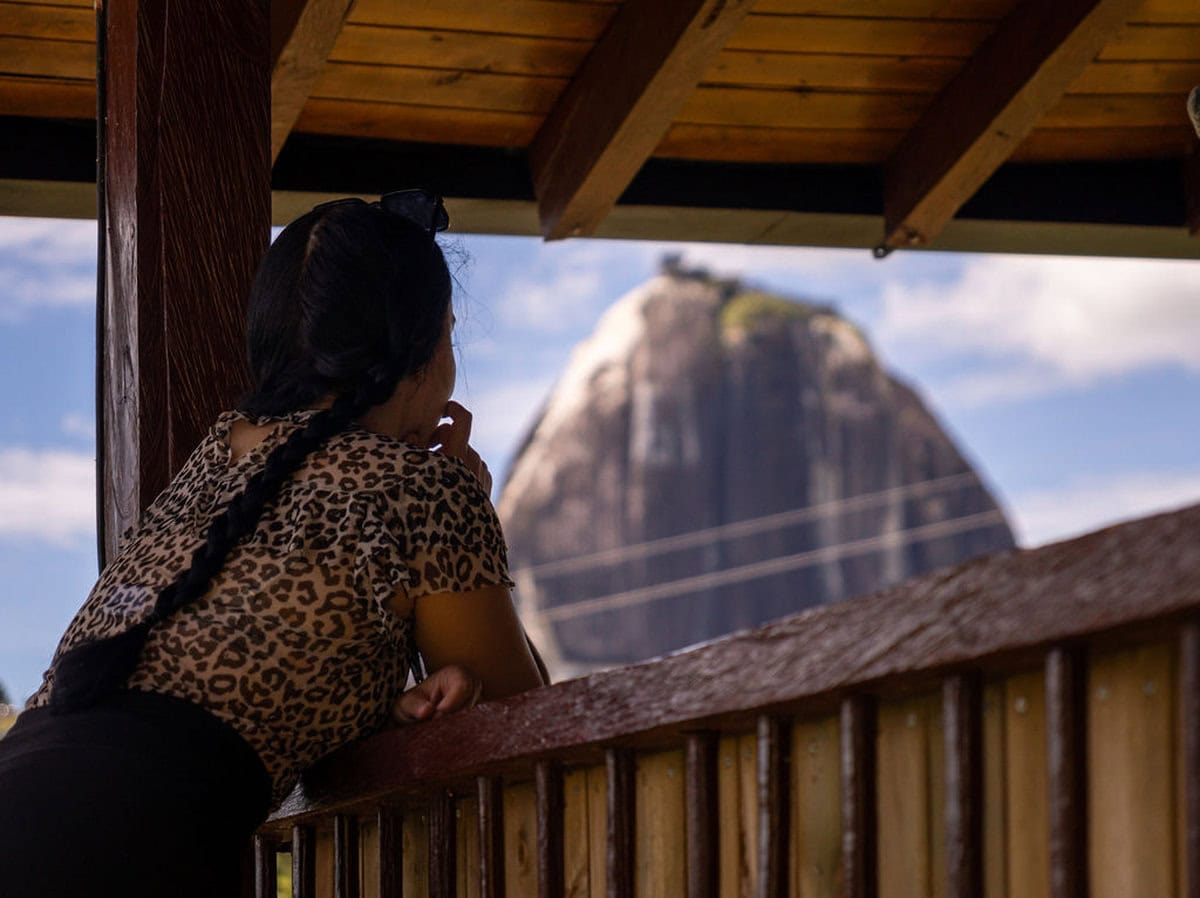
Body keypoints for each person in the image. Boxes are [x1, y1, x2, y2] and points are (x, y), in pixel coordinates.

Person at [0, 191, 547, 897]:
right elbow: (526, 731)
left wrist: (385, 705)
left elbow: (246, 664)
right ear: (419, 353)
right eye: (447, 334)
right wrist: (476, 524)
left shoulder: (216, 458)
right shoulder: (426, 490)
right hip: (127, 848)